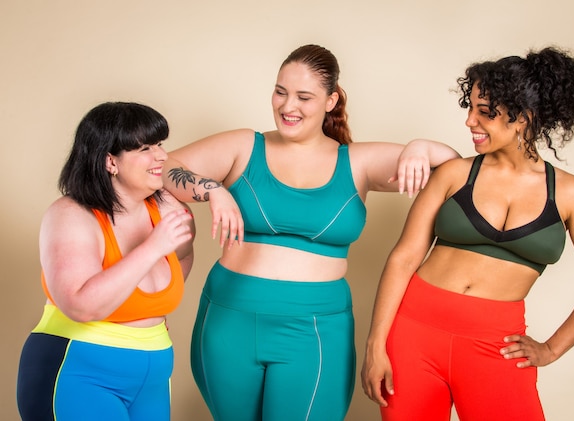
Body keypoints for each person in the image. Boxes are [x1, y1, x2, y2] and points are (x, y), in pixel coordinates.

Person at [162, 44, 460, 421]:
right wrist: (213, 189)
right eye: (280, 92)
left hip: (316, 328)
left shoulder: (357, 162)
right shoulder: (243, 146)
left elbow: (452, 167)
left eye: (304, 97)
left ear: (331, 100)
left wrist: (419, 147)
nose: (289, 106)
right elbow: (164, 167)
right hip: (228, 320)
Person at [361, 46, 574, 421]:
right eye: (470, 108)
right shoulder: (454, 174)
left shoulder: (569, 193)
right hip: (413, 334)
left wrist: (550, 349)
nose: (470, 121)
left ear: (523, 118)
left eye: (485, 113)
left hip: (496, 345)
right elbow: (404, 258)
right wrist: (376, 345)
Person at [16, 102, 195, 421]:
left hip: (152, 376)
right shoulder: (70, 215)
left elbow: (183, 253)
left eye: (159, 145)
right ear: (110, 161)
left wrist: (218, 195)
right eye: (145, 148)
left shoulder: (163, 204)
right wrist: (152, 248)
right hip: (79, 372)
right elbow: (81, 306)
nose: (161, 156)